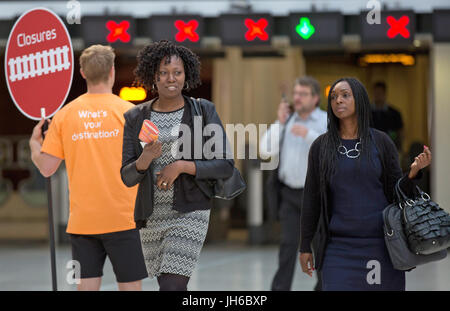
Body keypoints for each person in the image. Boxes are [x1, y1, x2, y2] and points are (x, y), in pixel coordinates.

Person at [29, 45, 148, 290]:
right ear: (112, 72)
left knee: (86, 286)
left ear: (82, 73)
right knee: (130, 286)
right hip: (123, 219)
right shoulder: (130, 113)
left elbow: (47, 168)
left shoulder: (65, 116)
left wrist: (34, 146)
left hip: (83, 222)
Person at [120, 40, 234, 291]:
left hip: (190, 211)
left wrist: (182, 166)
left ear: (186, 75)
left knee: (172, 285)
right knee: (169, 285)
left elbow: (225, 164)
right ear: (154, 76)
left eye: (177, 72)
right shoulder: (135, 117)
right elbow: (127, 177)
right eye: (163, 72)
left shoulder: (202, 111)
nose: (171, 78)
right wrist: (145, 158)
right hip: (151, 215)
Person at [299, 77, 432, 291]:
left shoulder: (381, 142)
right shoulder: (321, 147)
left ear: (359, 99)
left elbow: (396, 192)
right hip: (338, 248)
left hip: (381, 246)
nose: (338, 101)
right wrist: (305, 245)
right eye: (333, 97)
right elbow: (311, 199)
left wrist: (413, 173)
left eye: (345, 95)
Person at [259, 76, 327, 291]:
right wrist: (279, 122)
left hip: (316, 196)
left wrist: (309, 135)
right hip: (289, 194)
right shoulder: (287, 120)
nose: (297, 98)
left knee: (320, 245)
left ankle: (324, 287)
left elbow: (330, 152)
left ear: (315, 98)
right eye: (296, 93)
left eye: (303, 94)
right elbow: (266, 150)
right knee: (287, 245)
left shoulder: (325, 121)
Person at [371, 81, 404, 151]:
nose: (378, 95)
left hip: (390, 148)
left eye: (380, 93)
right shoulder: (366, 113)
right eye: (376, 93)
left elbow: (400, 133)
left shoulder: (395, 113)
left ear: (385, 93)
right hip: (371, 148)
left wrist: (400, 148)